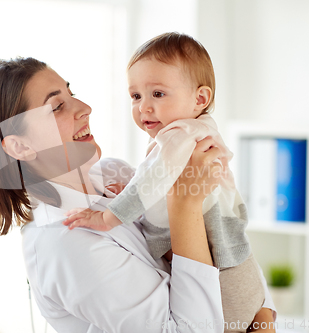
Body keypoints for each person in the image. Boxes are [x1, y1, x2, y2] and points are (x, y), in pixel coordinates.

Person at [0, 56, 277, 332]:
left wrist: (264, 314)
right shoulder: (64, 245)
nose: (85, 108)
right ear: (20, 146)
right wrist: (185, 203)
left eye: (73, 93)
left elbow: (225, 236)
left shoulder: (116, 173)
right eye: (57, 106)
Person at [63, 32, 270, 332]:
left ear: (200, 98)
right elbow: (160, 181)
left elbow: (155, 178)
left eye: (157, 94)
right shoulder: (198, 130)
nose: (144, 107)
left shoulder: (178, 136)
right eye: (135, 96)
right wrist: (136, 188)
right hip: (242, 272)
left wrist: (107, 217)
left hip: (224, 282)